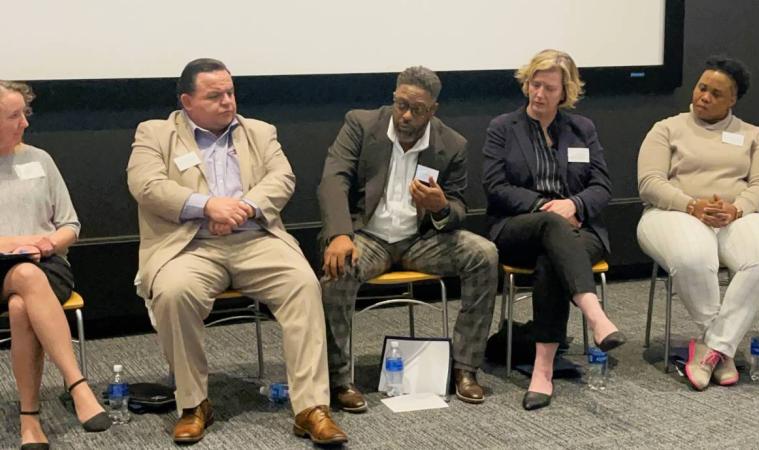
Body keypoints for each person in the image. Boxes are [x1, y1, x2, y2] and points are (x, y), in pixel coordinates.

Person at [126, 59, 346, 445]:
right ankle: (194, 404)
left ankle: (311, 407)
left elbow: (282, 178)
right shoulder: (155, 133)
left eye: (230, 93)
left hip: (255, 238)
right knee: (175, 293)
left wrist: (241, 207)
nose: (228, 102)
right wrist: (208, 206)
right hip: (189, 244)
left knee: (303, 284)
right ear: (187, 101)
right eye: (215, 95)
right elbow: (146, 185)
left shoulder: (259, 131)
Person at [319, 66, 499, 411]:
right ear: (394, 97)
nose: (406, 115)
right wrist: (340, 234)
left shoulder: (452, 144)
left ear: (432, 110)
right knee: (338, 265)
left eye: (417, 110)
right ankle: (338, 378)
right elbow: (333, 180)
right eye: (401, 104)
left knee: (484, 254)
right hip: (368, 236)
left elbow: (460, 205)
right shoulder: (360, 124)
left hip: (420, 240)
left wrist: (441, 207)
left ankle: (465, 368)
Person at [482, 50, 626, 411]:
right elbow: (496, 186)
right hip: (518, 228)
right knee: (550, 225)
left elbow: (602, 187)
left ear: (565, 93)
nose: (539, 94)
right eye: (534, 84)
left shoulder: (583, 129)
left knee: (552, 261)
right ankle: (595, 315)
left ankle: (542, 371)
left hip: (578, 231)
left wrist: (574, 205)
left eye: (549, 87)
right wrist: (548, 208)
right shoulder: (503, 128)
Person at [637, 56, 759, 391]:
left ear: (733, 100)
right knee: (694, 256)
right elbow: (649, 183)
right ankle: (723, 348)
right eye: (702, 88)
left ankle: (714, 347)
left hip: (733, 215)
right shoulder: (667, 128)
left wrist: (737, 209)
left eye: (716, 94)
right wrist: (690, 205)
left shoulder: (753, 136)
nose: (704, 97)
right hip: (671, 214)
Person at [0, 81, 111, 450]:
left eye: (25, 114)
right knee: (24, 275)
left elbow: (70, 225)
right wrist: (20, 243)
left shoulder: (40, 159)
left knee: (22, 303)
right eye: (15, 116)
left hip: (46, 266)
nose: (25, 124)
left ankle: (30, 421)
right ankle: (77, 383)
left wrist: (48, 243)